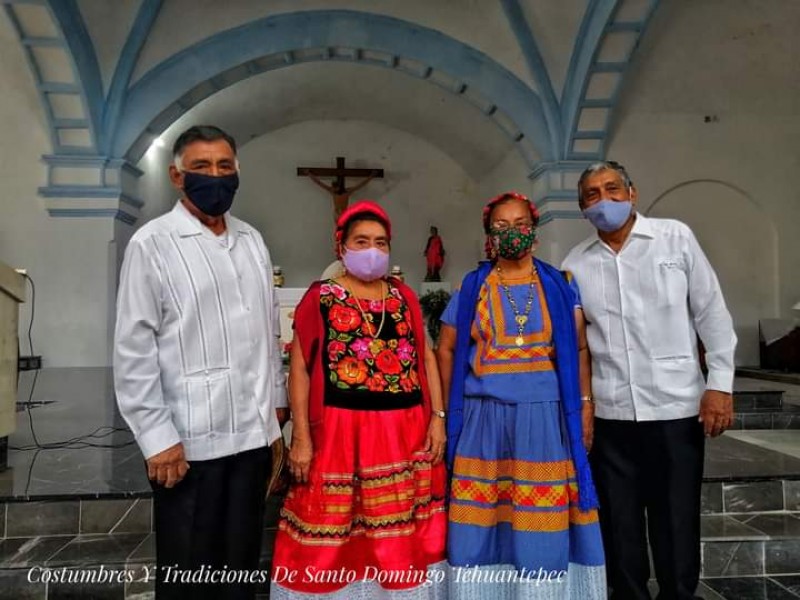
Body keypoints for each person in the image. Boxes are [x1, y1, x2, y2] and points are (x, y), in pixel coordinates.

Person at [114, 125, 287, 600]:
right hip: (189, 443)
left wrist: (276, 405)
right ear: (176, 175)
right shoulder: (153, 243)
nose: (215, 176)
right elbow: (134, 348)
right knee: (190, 568)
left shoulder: (251, 240)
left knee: (241, 564)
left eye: (224, 166)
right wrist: (156, 438)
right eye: (201, 167)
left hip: (251, 438)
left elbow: (268, 331)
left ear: (237, 172)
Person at [562, 161, 737, 600]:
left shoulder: (674, 238)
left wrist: (720, 384)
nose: (605, 200)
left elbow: (711, 312)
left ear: (633, 193)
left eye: (613, 189)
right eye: (592, 195)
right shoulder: (575, 264)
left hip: (676, 409)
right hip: (611, 415)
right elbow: (573, 344)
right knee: (619, 525)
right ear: (582, 208)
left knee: (676, 519)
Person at [270, 201, 448, 598]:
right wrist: (300, 435)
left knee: (398, 534)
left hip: (403, 432)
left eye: (381, 243)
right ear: (342, 248)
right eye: (362, 241)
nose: (372, 250)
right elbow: (299, 369)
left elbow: (426, 357)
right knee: (333, 529)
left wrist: (438, 417)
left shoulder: (403, 298)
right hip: (338, 432)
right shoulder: (321, 298)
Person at [437, 192, 606, 599]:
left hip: (544, 418)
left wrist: (585, 405)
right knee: (482, 516)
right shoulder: (472, 285)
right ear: (488, 237)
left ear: (533, 232)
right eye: (501, 227)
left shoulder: (560, 285)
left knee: (539, 518)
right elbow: (446, 347)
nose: (511, 233)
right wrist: (446, 412)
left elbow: (580, 348)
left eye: (519, 225)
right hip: (483, 417)